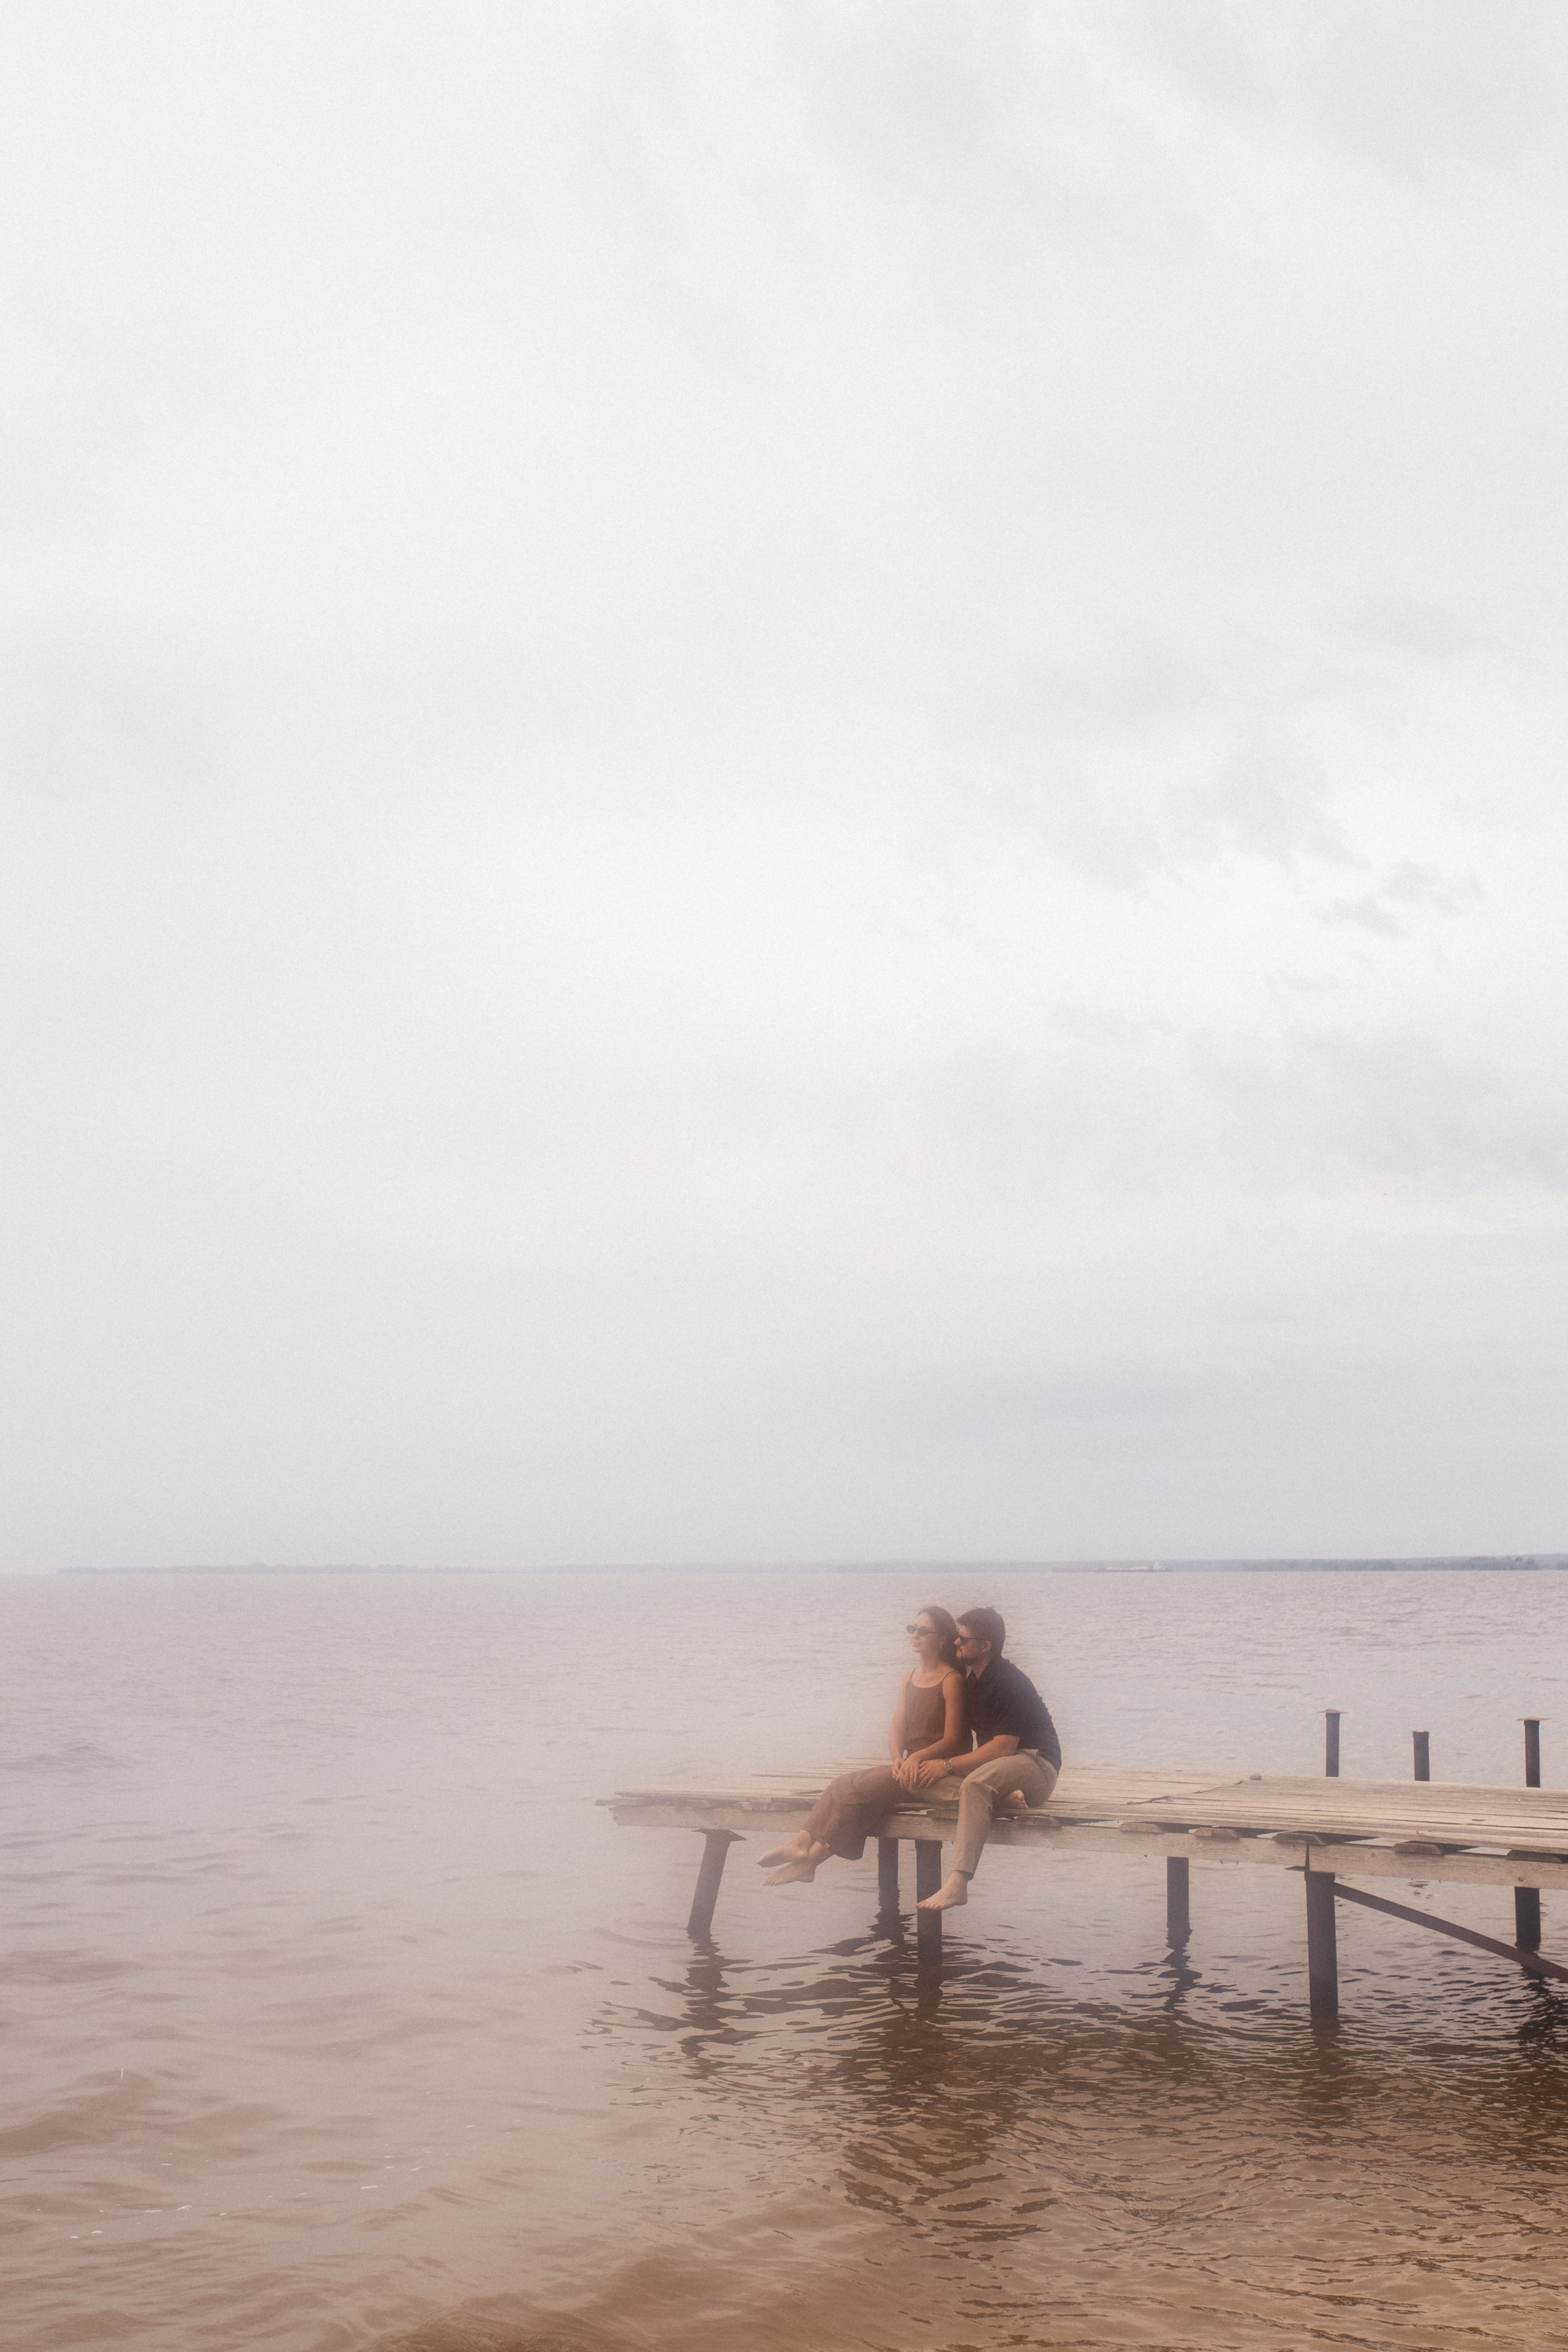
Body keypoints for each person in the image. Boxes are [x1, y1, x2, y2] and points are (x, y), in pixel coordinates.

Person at [757, 1608, 968, 1885]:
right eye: (912, 1629)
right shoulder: (909, 1677)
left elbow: (953, 1739)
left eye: (923, 1631)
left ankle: (809, 1861)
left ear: (941, 1639)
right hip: (908, 1766)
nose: (915, 1635)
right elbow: (897, 1728)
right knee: (843, 1785)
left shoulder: (951, 1680)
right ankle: (801, 1845)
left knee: (858, 1793)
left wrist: (917, 1758)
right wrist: (897, 1757)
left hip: (933, 1771)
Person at [911, 1606, 1061, 1912]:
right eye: (957, 1636)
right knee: (919, 1781)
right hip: (1001, 1770)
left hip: (1037, 1765)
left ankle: (958, 1883)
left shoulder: (1008, 1682)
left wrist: (948, 1765)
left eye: (963, 1639)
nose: (956, 1643)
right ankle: (1003, 1799)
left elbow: (1004, 1747)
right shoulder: (974, 1681)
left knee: (975, 1784)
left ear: (985, 1646)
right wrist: (921, 1759)